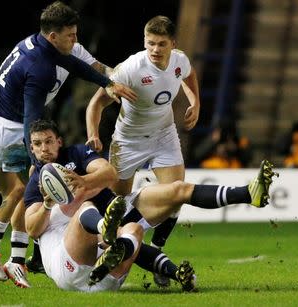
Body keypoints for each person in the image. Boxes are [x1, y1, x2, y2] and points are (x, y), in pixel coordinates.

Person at [0, 1, 137, 289]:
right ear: (54, 36)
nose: (76, 40)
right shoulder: (40, 69)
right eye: (71, 36)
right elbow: (31, 118)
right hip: (10, 128)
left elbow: (75, 63)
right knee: (27, 193)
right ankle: (10, 256)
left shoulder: (37, 44)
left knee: (2, 190)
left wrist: (106, 81)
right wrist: (39, 160)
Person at [24, 119, 278, 292]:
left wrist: (83, 180)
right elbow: (31, 228)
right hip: (82, 247)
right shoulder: (36, 182)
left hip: (117, 217)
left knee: (177, 190)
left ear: (59, 141)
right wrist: (48, 203)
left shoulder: (76, 154)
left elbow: (109, 174)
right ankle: (110, 234)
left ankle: (248, 194)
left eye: (48, 141)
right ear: (32, 148)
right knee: (99, 216)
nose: (44, 148)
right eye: (37, 144)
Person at [85, 15, 200, 287]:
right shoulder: (130, 69)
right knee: (119, 201)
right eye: (150, 44)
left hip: (164, 134)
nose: (155, 50)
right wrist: (92, 134)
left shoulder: (180, 60)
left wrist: (195, 102)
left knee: (176, 193)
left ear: (173, 43)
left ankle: (157, 253)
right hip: (128, 142)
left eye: (161, 44)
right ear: (144, 42)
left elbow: (190, 75)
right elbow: (96, 104)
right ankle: (110, 250)